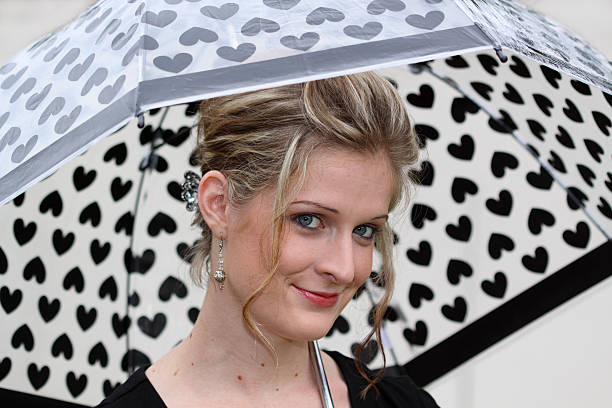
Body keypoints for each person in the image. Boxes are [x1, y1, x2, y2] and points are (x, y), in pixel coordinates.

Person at [96, 72, 439, 407]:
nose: (345, 269)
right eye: (309, 220)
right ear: (220, 205)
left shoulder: (400, 402)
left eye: (364, 230)